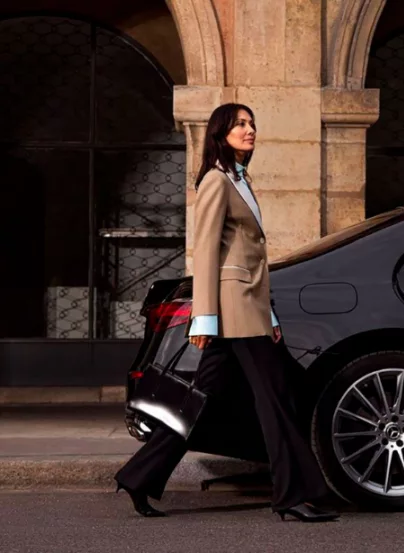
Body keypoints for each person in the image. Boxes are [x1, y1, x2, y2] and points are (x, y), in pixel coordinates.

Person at [114, 103, 339, 523]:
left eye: (252, 123)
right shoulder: (216, 181)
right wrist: (204, 318)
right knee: (277, 401)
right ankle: (291, 495)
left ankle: (138, 476)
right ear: (221, 132)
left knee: (197, 402)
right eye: (240, 124)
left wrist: (269, 316)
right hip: (234, 312)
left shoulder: (240, 178)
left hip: (250, 309)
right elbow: (205, 252)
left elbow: (253, 256)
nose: (249, 130)